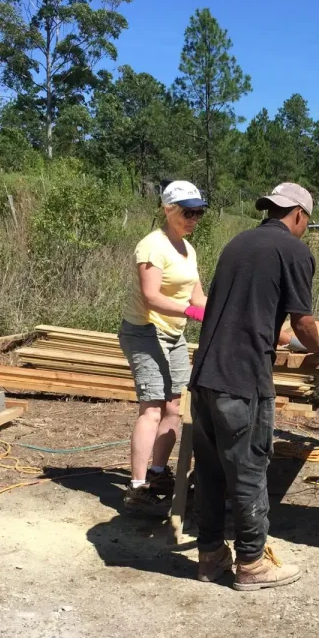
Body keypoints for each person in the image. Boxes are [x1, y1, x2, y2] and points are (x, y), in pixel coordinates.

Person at [190, 182, 319, 591]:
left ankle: (210, 557)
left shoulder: (238, 244)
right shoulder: (293, 250)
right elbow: (304, 321)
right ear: (299, 216)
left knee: (211, 470)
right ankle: (252, 563)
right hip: (242, 380)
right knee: (250, 468)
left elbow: (244, 313)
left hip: (204, 376)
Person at [119, 180, 208, 515]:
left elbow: (197, 296)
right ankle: (137, 486)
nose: (193, 218)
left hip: (174, 334)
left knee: (174, 407)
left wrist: (219, 312)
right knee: (152, 408)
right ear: (168, 210)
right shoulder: (152, 247)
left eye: (198, 212)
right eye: (188, 212)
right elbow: (151, 296)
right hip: (144, 331)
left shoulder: (187, 249)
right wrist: (191, 311)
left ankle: (158, 473)